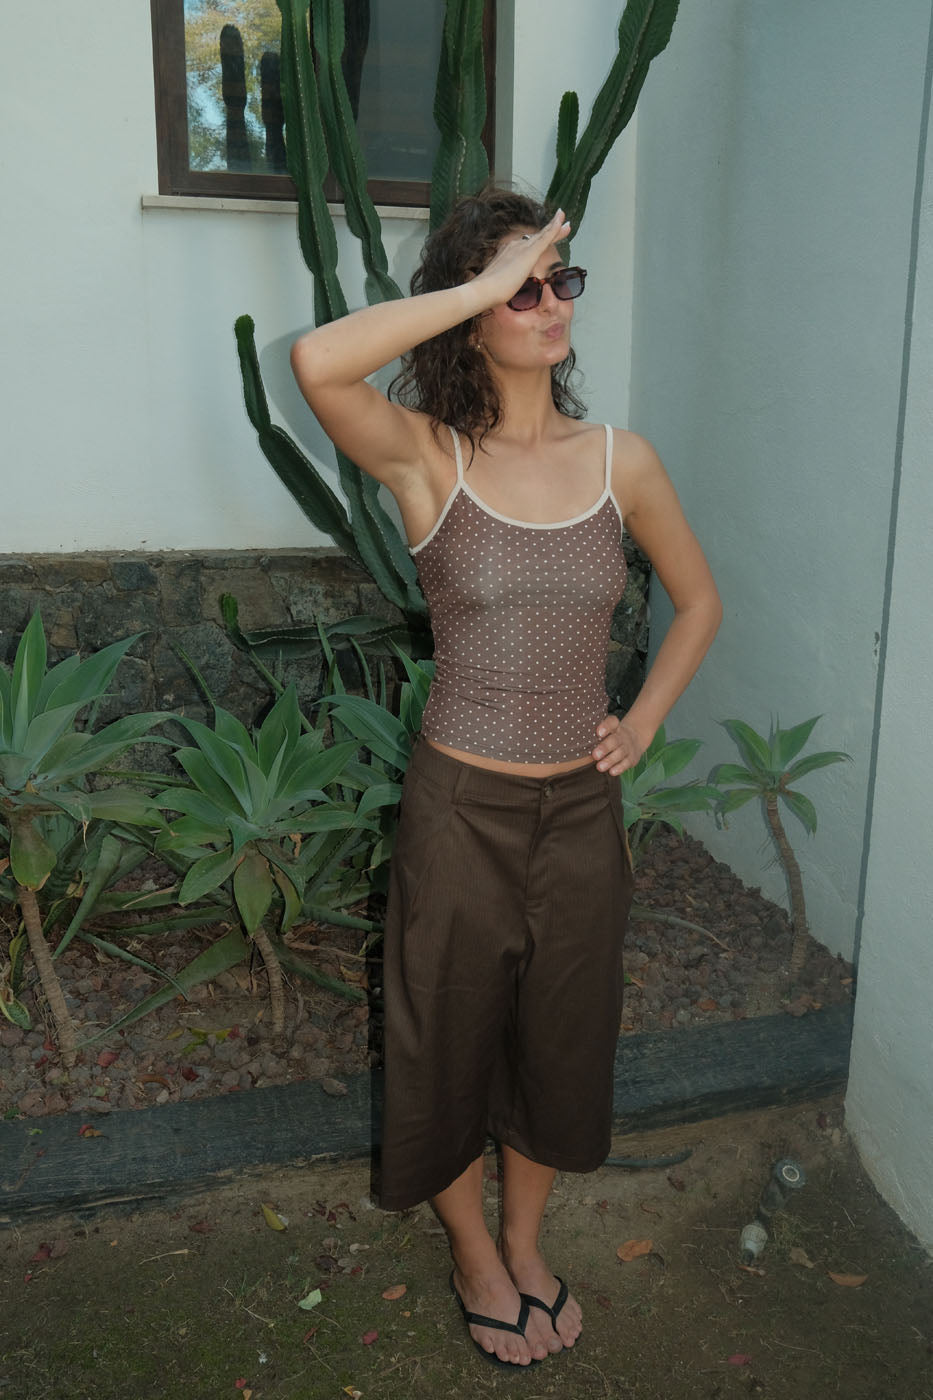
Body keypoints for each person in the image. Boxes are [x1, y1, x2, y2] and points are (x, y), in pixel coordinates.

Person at [290, 187, 721, 1368]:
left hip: (581, 810)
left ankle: (526, 1239)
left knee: (561, 1037)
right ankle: (474, 1252)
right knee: (444, 1037)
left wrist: (641, 721)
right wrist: (484, 280)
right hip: (460, 810)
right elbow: (318, 362)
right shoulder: (427, 455)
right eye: (521, 289)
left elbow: (699, 602)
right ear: (474, 312)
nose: (548, 303)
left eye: (558, 281)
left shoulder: (622, 460)